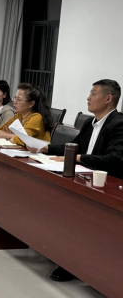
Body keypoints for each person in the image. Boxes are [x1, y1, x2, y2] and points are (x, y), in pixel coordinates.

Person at [31, 79, 123, 282]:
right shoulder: (90, 123)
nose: (88, 98)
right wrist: (46, 148)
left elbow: (116, 159)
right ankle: (58, 251)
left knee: (74, 211)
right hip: (82, 177)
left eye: (93, 94)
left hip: (104, 184)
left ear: (108, 98)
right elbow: (73, 147)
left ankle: (72, 263)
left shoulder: (118, 124)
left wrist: (78, 158)